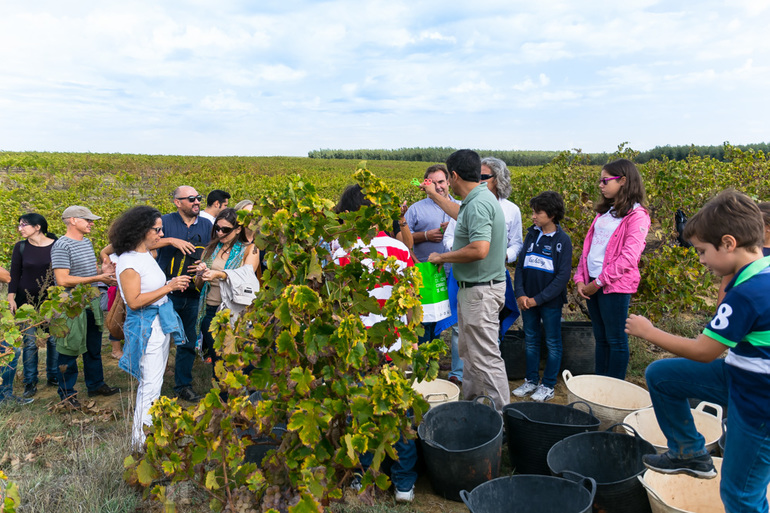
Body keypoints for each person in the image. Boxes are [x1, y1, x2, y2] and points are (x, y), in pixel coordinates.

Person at [626, 189, 770, 512]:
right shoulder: (759, 268)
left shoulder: (749, 293)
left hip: (759, 406)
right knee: (662, 375)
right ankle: (689, 453)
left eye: (703, 251)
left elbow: (705, 351)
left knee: (740, 494)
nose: (701, 259)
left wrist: (650, 332)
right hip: (740, 376)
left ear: (729, 243)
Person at [332, 184, 418, 503]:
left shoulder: (340, 250)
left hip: (357, 345)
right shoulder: (399, 249)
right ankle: (404, 484)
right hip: (394, 343)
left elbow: (335, 302)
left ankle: (364, 478)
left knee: (361, 413)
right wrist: (411, 341)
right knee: (399, 412)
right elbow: (411, 301)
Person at [427, 149, 510, 413]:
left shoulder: (479, 203)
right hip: (475, 291)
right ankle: (473, 409)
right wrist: (434, 195)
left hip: (481, 293)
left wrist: (442, 257)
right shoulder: (477, 199)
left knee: (486, 358)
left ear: (453, 175)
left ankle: (501, 419)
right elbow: (460, 213)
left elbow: (479, 249)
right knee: (471, 356)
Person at [110, 206, 190, 448]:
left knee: (153, 381)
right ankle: (140, 442)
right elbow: (134, 302)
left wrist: (168, 284)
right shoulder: (129, 263)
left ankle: (145, 434)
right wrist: (169, 287)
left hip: (156, 323)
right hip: (147, 325)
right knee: (150, 384)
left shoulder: (144, 254)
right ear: (142, 231)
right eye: (157, 229)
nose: (161, 233)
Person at [574, 158, 650, 380]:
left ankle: (613, 388)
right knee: (601, 337)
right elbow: (588, 248)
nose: (600, 185)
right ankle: (600, 384)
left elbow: (629, 258)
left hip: (613, 286)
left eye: (605, 180)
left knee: (616, 339)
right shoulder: (604, 213)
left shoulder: (637, 215)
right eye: (600, 181)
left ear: (623, 180)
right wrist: (580, 277)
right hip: (592, 283)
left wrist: (597, 283)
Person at [51, 205, 120, 408]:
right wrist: (98, 277)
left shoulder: (86, 242)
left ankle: (96, 384)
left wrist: (102, 270)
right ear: (72, 220)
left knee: (93, 347)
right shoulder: (62, 245)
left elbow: (84, 273)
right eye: (87, 220)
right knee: (68, 349)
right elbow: (63, 279)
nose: (91, 223)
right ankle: (66, 395)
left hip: (91, 302)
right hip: (71, 306)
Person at [512, 192, 572, 402]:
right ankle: (531, 380)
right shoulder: (531, 235)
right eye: (533, 212)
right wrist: (520, 293)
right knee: (531, 340)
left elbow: (562, 277)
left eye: (538, 212)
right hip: (526, 301)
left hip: (549, 302)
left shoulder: (562, 241)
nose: (533, 216)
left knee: (553, 342)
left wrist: (538, 299)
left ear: (552, 214)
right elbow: (519, 267)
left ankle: (547, 385)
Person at [404, 165, 462, 383]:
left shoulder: (460, 207)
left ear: (448, 181)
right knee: (425, 321)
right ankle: (424, 369)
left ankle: (448, 369)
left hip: (454, 273)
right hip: (426, 275)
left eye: (441, 182)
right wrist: (426, 235)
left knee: (452, 322)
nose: (438, 186)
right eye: (432, 182)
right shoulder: (416, 209)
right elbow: (402, 239)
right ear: (425, 184)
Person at [155, 186, 212, 402]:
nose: (197, 202)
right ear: (177, 202)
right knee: (159, 340)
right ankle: (152, 383)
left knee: (187, 341)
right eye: (191, 199)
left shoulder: (206, 224)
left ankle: (183, 386)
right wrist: (170, 241)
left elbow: (211, 250)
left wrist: (203, 263)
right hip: (165, 292)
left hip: (193, 292)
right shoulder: (165, 222)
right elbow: (146, 243)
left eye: (198, 198)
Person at [194, 208, 260, 367]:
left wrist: (219, 274)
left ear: (238, 229)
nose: (220, 233)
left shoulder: (249, 249)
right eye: (217, 228)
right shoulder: (210, 249)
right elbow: (198, 286)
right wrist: (201, 274)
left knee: (239, 360)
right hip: (210, 311)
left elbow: (246, 276)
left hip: (235, 312)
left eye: (225, 229)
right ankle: (222, 391)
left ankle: (243, 391)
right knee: (219, 361)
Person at [8, 213, 58, 398]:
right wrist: (11, 298)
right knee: (29, 342)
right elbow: (14, 273)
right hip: (25, 302)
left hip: (51, 301)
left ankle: (53, 375)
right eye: (19, 225)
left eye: (24, 225)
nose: (20, 229)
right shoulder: (20, 247)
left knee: (53, 340)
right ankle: (30, 381)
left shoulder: (56, 245)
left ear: (38, 227)